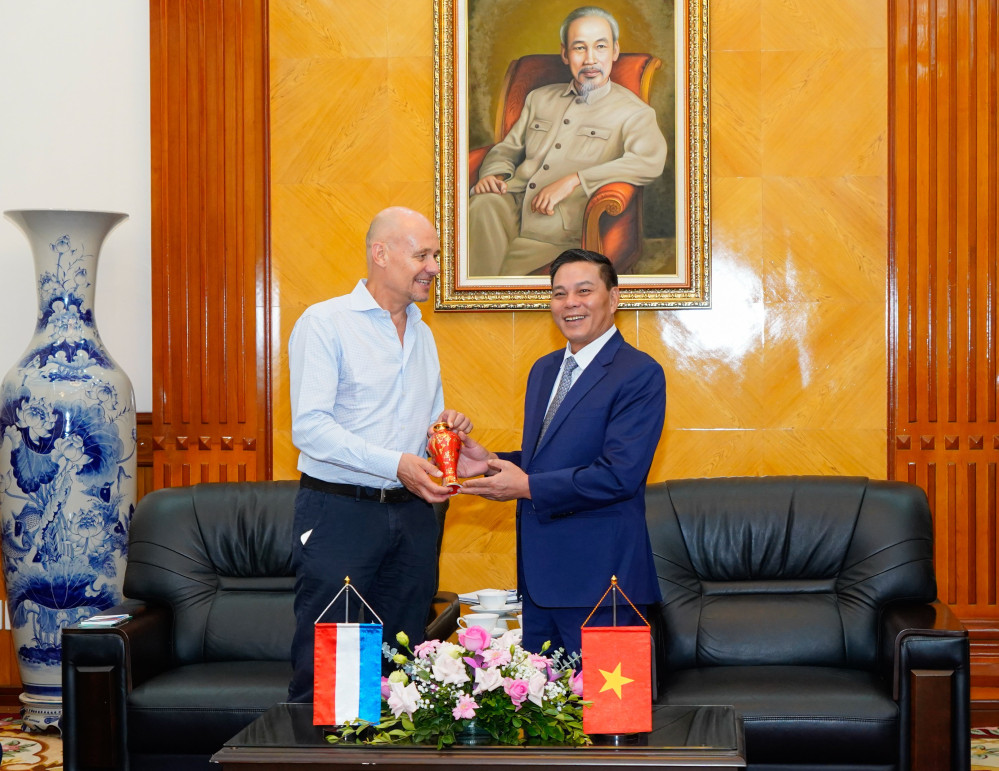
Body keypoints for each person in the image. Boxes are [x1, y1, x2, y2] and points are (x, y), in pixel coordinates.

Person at [286, 206, 471, 702]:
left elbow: (423, 428)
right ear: (380, 253)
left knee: (402, 665)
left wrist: (447, 434)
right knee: (336, 676)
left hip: (413, 518)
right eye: (423, 255)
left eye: (436, 255)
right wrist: (395, 463)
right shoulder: (325, 323)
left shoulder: (423, 333)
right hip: (341, 514)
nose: (434, 267)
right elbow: (310, 428)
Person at [455, 248, 665, 659]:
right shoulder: (544, 369)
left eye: (584, 291)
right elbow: (546, 459)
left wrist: (528, 487)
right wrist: (490, 461)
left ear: (613, 298)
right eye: (559, 293)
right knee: (541, 699)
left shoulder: (639, 372)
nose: (570, 303)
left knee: (605, 702)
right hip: (540, 584)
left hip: (603, 583)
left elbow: (619, 474)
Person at [467, 6, 668, 277]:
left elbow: (648, 162)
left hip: (560, 228)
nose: (590, 59)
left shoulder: (634, 112)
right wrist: (494, 175)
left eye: (600, 47)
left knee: (495, 277)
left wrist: (575, 180)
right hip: (511, 204)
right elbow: (507, 149)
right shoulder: (539, 98)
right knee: (482, 205)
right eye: (579, 48)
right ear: (565, 54)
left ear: (615, 51)